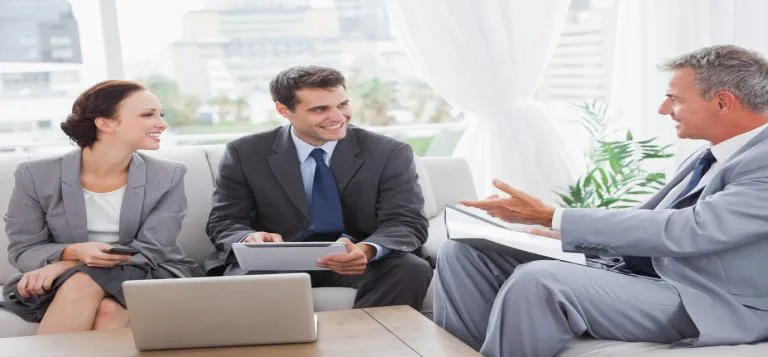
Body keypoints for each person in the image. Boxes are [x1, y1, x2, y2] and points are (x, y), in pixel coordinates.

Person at [434, 44, 768, 357]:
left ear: (723, 102)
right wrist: (559, 236)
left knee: (541, 282)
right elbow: (649, 217)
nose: (663, 109)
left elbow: (693, 229)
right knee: (466, 252)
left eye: (674, 99)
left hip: (710, 299)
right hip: (651, 274)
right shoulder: (711, 154)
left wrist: (552, 216)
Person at [205, 66, 432, 309]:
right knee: (249, 281)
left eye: (342, 105)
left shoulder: (389, 152)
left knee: (410, 269)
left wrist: (367, 250)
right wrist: (250, 238)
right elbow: (224, 221)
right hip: (277, 261)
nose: (338, 117)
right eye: (320, 109)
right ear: (284, 110)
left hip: (358, 258)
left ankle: (367, 335)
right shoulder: (245, 153)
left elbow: (406, 220)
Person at [1, 80, 202, 335]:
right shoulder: (35, 175)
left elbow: (151, 250)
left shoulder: (169, 175)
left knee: (84, 283)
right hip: (62, 279)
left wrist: (69, 264)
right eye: (147, 115)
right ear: (105, 123)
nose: (162, 124)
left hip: (148, 270)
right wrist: (75, 252)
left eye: (160, 114)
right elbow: (23, 249)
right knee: (105, 306)